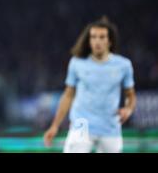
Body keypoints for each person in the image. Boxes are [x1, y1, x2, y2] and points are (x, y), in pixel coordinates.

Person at [43, 16, 136, 153]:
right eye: (93, 37)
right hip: (81, 126)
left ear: (110, 41)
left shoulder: (123, 65)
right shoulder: (77, 63)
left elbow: (130, 94)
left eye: (102, 37)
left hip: (110, 128)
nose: (97, 41)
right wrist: (55, 125)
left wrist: (128, 108)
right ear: (89, 40)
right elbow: (68, 95)